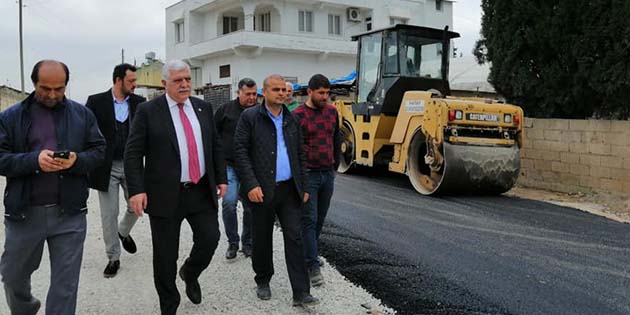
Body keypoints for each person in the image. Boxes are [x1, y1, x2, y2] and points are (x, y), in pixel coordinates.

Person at [0, 60, 106, 315]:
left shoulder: (83, 114)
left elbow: (99, 150)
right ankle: (25, 309)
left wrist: (76, 160)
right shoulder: (10, 117)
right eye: (45, 88)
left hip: (69, 214)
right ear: (34, 83)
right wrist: (33, 160)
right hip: (24, 214)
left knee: (65, 286)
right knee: (12, 277)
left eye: (59, 89)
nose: (52, 95)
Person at [124, 60, 227, 315]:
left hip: (200, 190)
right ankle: (169, 306)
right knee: (165, 257)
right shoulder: (148, 111)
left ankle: (190, 272)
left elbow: (214, 145)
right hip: (164, 194)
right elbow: (133, 153)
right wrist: (136, 190)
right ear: (164, 83)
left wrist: (221, 177)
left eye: (188, 79)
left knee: (210, 238)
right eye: (178, 80)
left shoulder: (203, 108)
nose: (184, 84)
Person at [233, 74, 318, 307]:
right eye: (276, 89)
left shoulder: (292, 118)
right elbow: (240, 151)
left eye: (284, 89)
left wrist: (305, 186)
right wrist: (250, 184)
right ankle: (263, 279)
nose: (281, 93)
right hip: (261, 190)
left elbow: (300, 154)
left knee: (295, 236)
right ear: (264, 92)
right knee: (262, 238)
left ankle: (301, 292)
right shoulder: (250, 117)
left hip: (289, 190)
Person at [86, 63, 146, 278]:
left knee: (138, 206)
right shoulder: (96, 102)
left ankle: (123, 231)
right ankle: (113, 257)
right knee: (108, 214)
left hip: (133, 165)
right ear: (118, 80)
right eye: (131, 81)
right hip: (106, 166)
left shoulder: (140, 103)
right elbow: (86, 131)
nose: (135, 84)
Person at [293, 74, 341, 287]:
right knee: (309, 219)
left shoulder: (332, 112)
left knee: (320, 218)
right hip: (308, 175)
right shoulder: (298, 116)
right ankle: (312, 265)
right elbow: (294, 149)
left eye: (327, 92)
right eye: (321, 93)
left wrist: (335, 166)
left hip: (327, 173)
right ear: (309, 92)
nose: (325, 96)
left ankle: (309, 253)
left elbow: (336, 138)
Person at [214, 78, 257, 260]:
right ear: (238, 92)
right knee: (229, 203)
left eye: (255, 94)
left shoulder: (259, 113)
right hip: (229, 166)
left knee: (250, 207)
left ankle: (247, 243)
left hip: (250, 168)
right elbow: (213, 137)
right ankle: (233, 241)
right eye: (248, 94)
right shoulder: (225, 111)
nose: (252, 98)